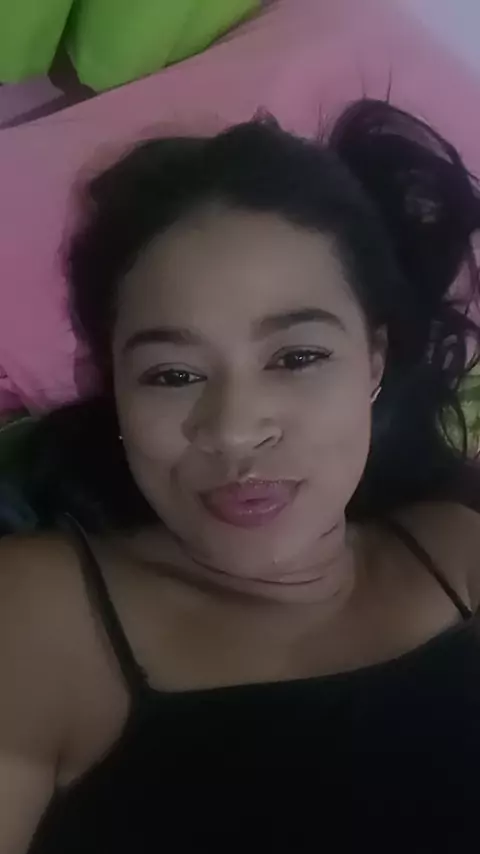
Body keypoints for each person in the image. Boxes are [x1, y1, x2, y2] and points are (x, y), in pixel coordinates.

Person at [1, 98, 480, 852]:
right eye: (173, 374)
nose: (232, 429)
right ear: (116, 390)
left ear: (373, 361)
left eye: (297, 357)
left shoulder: (458, 555)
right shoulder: (40, 614)